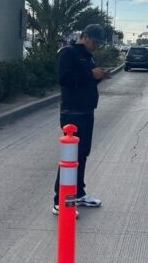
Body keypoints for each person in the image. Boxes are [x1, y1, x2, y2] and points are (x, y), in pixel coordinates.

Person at [53, 24, 108, 215]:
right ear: (84, 36)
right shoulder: (68, 53)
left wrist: (98, 76)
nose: (96, 46)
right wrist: (90, 74)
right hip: (72, 113)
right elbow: (64, 78)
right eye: (95, 42)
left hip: (86, 111)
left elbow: (87, 78)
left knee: (83, 153)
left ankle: (78, 193)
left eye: (99, 43)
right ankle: (60, 200)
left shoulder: (88, 56)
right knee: (71, 156)